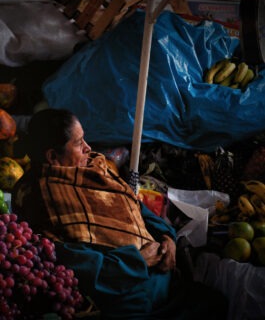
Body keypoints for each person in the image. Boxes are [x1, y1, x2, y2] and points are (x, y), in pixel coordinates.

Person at [12, 108, 228, 320]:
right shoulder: (36, 197)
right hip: (130, 298)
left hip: (167, 280)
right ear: (52, 156)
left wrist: (167, 237)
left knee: (216, 303)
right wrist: (137, 261)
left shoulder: (95, 168)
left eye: (84, 139)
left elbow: (135, 207)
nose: (88, 148)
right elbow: (72, 262)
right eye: (79, 143)